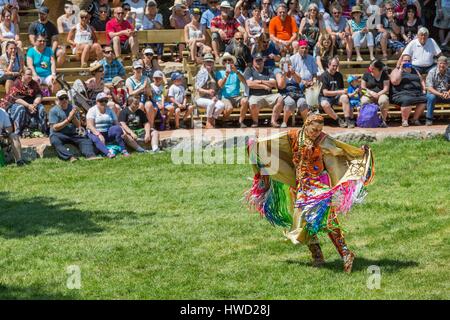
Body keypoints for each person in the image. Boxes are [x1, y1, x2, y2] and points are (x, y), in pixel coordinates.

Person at [245, 113, 375, 273]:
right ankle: (317, 256)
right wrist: (255, 144)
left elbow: (339, 150)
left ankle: (346, 253)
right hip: (301, 187)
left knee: (327, 219)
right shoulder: (293, 136)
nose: (316, 133)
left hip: (319, 186)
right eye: (314, 129)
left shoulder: (323, 140)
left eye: (319, 129)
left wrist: (358, 154)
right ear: (306, 125)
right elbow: (272, 143)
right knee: (304, 223)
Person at [48, 90, 99, 162]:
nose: (64, 100)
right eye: (61, 98)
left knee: (85, 138)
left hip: (73, 133)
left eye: (66, 97)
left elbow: (78, 125)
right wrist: (68, 119)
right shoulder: (53, 111)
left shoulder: (73, 107)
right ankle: (70, 157)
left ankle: (90, 155)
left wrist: (73, 117)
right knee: (54, 139)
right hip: (59, 133)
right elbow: (55, 128)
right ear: (57, 100)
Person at [0, 68, 47, 136]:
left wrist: (35, 104)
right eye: (28, 74)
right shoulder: (17, 83)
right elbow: (15, 98)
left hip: (31, 104)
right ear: (23, 75)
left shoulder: (33, 83)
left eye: (31, 74)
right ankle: (18, 132)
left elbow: (39, 94)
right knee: (20, 108)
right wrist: (28, 105)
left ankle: (43, 130)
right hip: (15, 105)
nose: (30, 76)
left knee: (41, 107)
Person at [244, 52, 284, 128]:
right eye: (257, 60)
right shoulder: (249, 70)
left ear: (263, 61)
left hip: (269, 95)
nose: (259, 62)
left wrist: (259, 81)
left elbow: (273, 83)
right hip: (255, 95)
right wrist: (264, 86)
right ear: (253, 61)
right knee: (252, 102)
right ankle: (255, 122)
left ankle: (273, 121)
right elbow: (250, 84)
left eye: (260, 60)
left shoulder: (268, 70)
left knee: (280, 98)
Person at [86, 92, 130, 158]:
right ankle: (108, 153)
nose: (104, 103)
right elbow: (90, 125)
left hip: (107, 132)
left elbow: (116, 123)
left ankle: (124, 150)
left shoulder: (109, 110)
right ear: (97, 101)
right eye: (101, 101)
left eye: (105, 101)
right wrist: (98, 134)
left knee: (117, 129)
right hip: (95, 132)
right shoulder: (92, 110)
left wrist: (123, 131)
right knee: (96, 138)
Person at [390, 54, 427, 127]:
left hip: (415, 93)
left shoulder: (415, 70)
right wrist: (401, 68)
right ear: (401, 61)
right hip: (400, 94)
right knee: (407, 100)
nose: (407, 62)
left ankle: (414, 119)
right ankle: (404, 120)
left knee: (424, 99)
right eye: (405, 60)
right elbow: (395, 82)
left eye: (409, 60)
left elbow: (421, 80)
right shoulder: (396, 70)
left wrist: (424, 89)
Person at [215, 52, 249, 128]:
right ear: (223, 62)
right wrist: (226, 76)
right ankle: (223, 121)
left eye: (229, 60)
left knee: (245, 101)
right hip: (225, 97)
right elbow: (220, 85)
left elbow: (244, 82)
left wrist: (236, 72)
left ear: (232, 62)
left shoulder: (237, 71)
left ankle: (240, 122)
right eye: (225, 60)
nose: (227, 62)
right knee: (229, 108)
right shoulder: (219, 72)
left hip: (236, 96)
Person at [319, 57, 352, 128]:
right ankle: (338, 120)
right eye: (333, 66)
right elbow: (325, 93)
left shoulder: (339, 75)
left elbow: (341, 90)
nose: (335, 67)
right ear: (328, 65)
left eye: (336, 66)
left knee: (345, 97)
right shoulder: (324, 76)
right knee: (324, 104)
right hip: (325, 97)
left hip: (336, 97)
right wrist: (339, 92)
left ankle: (347, 120)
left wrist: (346, 93)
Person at [195, 53, 225, 128]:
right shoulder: (202, 72)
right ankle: (208, 122)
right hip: (200, 98)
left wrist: (216, 96)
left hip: (210, 98)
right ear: (204, 62)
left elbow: (217, 89)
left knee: (221, 105)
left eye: (211, 61)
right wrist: (207, 91)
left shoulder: (213, 73)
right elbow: (197, 88)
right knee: (211, 103)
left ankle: (212, 119)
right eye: (207, 61)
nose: (209, 63)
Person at [278, 56, 309, 127]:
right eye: (284, 65)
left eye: (288, 64)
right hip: (286, 93)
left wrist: (293, 73)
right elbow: (281, 86)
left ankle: (305, 122)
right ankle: (284, 122)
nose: (287, 66)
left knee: (302, 102)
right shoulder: (280, 74)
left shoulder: (295, 72)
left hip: (297, 93)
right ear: (281, 65)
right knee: (290, 103)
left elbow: (299, 81)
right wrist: (285, 74)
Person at [361, 59, 390, 127]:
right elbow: (362, 87)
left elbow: (386, 88)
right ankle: (368, 120)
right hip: (369, 94)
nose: (370, 70)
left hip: (381, 94)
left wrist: (378, 94)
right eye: (370, 67)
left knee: (384, 100)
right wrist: (371, 92)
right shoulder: (366, 73)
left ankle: (383, 120)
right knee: (364, 100)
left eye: (373, 68)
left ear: (379, 69)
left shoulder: (384, 74)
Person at [126, 60, 155, 128]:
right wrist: (142, 88)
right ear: (133, 69)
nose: (138, 70)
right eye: (137, 68)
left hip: (144, 98)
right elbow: (131, 93)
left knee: (149, 105)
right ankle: (139, 126)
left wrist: (147, 89)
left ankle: (151, 126)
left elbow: (150, 94)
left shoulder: (146, 78)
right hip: (133, 100)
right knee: (140, 105)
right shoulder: (129, 80)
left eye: (140, 68)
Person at [425, 56, 450, 126]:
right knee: (431, 97)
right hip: (434, 93)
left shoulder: (449, 71)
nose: (442, 65)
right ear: (437, 63)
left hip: (446, 93)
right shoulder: (431, 72)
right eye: (440, 63)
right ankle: (429, 119)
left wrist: (448, 92)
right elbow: (429, 88)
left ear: (447, 64)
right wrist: (440, 94)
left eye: (444, 63)